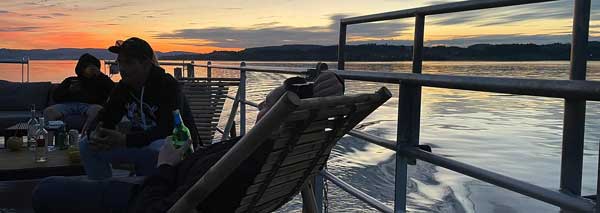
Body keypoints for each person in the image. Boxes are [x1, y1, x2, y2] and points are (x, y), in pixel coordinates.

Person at [32, 72, 344, 213]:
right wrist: (328, 84)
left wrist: (165, 166)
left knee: (45, 189)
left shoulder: (251, 155)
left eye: (267, 106)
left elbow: (156, 207)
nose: (260, 107)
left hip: (156, 194)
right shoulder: (265, 149)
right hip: (174, 180)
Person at [78, 37, 197, 180]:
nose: (122, 68)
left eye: (128, 62)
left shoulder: (167, 85)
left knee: (157, 148)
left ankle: (153, 190)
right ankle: (102, 190)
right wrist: (96, 133)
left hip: (173, 148)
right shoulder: (123, 88)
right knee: (86, 145)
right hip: (139, 143)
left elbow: (169, 129)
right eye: (120, 62)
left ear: (146, 64)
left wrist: (125, 140)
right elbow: (105, 117)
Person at [44, 53, 114, 131]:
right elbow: (56, 97)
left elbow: (113, 90)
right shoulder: (70, 80)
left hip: (89, 106)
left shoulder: (100, 81)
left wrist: (100, 75)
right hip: (68, 105)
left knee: (97, 110)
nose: (89, 69)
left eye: (92, 68)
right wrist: (68, 91)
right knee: (48, 112)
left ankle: (84, 134)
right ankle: (49, 142)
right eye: (86, 67)